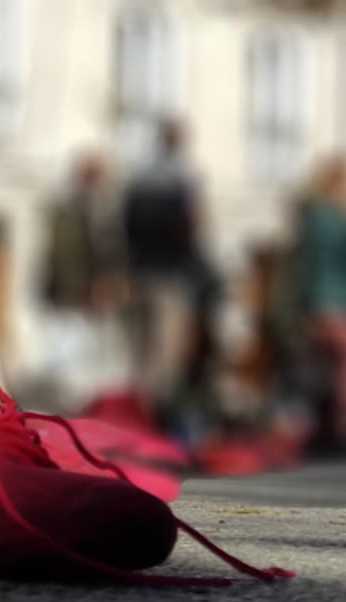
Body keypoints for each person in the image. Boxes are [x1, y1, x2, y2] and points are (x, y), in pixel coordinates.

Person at [122, 119, 211, 417]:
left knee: (140, 346)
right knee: (166, 350)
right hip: (171, 273)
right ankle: (154, 413)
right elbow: (190, 228)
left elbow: (125, 226)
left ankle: (137, 407)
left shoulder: (138, 177)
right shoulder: (182, 180)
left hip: (139, 270)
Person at [292, 155, 346, 441]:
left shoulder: (310, 217)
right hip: (340, 301)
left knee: (323, 365)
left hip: (314, 302)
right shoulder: (343, 219)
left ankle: (318, 423)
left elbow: (302, 265)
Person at [43, 153, 126, 313]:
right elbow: (65, 251)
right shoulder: (72, 211)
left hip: (82, 291)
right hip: (74, 292)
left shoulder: (91, 209)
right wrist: (80, 289)